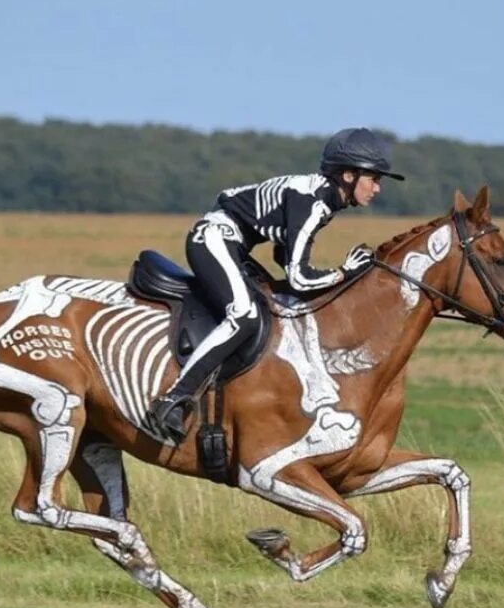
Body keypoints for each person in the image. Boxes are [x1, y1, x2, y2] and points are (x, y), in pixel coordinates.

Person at [146, 126, 405, 444]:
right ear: (349, 175)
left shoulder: (323, 198)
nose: (377, 188)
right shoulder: (313, 203)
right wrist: (344, 272)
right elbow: (299, 276)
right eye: (374, 178)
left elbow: (283, 252)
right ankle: (173, 399)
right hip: (214, 237)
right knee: (244, 316)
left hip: (234, 244)